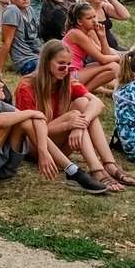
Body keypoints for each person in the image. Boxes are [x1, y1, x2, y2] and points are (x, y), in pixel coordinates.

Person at [0, 63, 100, 200]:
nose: (2, 84)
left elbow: (39, 119)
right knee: (4, 121)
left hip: (4, 166)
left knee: (24, 121)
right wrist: (32, 112)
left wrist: (43, 150)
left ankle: (72, 170)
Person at [15, 40, 123, 191]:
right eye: (61, 64)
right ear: (46, 61)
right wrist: (68, 125)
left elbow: (98, 103)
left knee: (83, 103)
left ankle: (109, 163)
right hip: (36, 146)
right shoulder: (27, 86)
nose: (66, 70)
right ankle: (96, 169)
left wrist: (80, 125)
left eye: (69, 65)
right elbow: (30, 131)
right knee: (74, 115)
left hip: (58, 146)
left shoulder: (66, 81)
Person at [64, 2, 122, 93]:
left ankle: (81, 92)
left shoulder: (86, 35)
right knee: (114, 67)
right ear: (79, 22)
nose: (94, 21)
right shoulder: (76, 34)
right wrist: (119, 57)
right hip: (67, 76)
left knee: (113, 66)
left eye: (94, 16)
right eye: (89, 18)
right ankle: (80, 93)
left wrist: (102, 37)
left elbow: (105, 54)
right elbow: (103, 60)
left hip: (78, 70)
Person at [0, 0, 41, 74]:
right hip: (27, 61)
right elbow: (6, 42)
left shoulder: (30, 9)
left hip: (39, 55)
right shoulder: (12, 11)